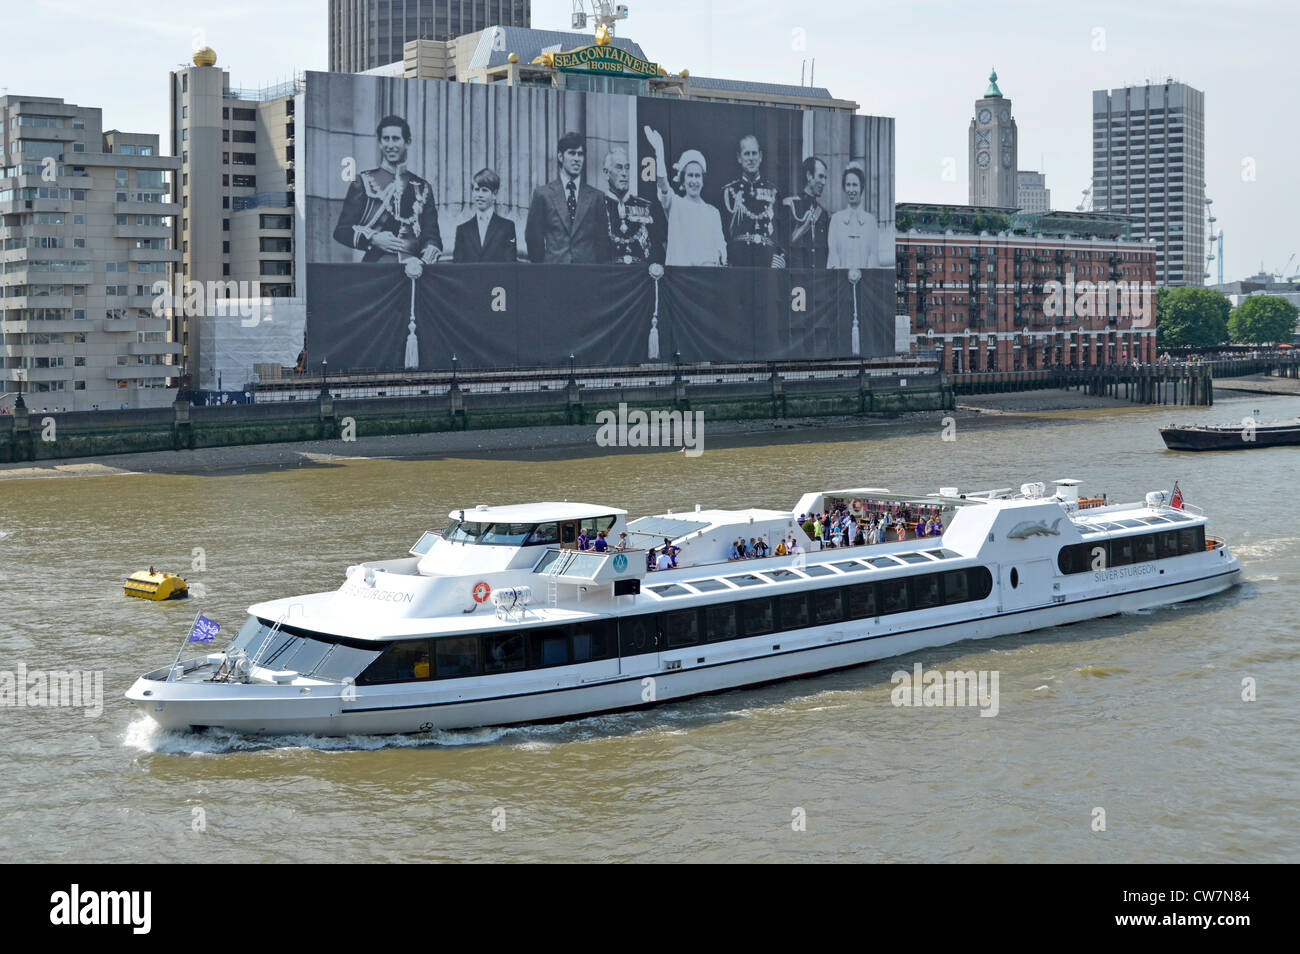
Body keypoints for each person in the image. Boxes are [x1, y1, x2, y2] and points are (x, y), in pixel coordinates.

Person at [333, 114, 442, 264]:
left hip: (414, 271)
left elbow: (432, 237)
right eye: (386, 139)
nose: (390, 145)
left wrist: (422, 263)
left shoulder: (422, 187)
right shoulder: (363, 182)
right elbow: (342, 231)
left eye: (396, 139)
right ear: (379, 143)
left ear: (407, 142)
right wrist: (373, 238)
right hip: (375, 270)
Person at [643, 127, 726, 267]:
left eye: (697, 176)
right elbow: (663, 185)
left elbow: (720, 247)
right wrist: (659, 154)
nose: (694, 181)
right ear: (683, 179)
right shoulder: (675, 204)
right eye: (690, 175)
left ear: (703, 179)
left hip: (706, 277)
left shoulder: (713, 212)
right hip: (680, 280)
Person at [524, 131, 611, 264]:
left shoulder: (596, 197)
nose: (577, 159)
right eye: (571, 153)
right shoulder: (543, 194)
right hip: (554, 273)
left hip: (587, 273)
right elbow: (533, 238)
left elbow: (602, 241)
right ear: (560, 156)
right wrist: (543, 268)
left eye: (580, 154)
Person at [720, 134, 783, 267]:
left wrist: (780, 256)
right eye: (746, 154)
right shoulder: (730, 192)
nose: (751, 158)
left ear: (760, 156)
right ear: (739, 158)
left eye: (754, 154)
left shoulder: (774, 192)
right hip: (738, 262)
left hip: (768, 262)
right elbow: (724, 232)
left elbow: (781, 231)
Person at [602, 148, 666, 264]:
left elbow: (657, 249)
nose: (624, 173)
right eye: (619, 167)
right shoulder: (598, 205)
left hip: (640, 277)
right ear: (606, 173)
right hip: (609, 276)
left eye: (627, 168)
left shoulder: (644, 206)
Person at [453, 167, 518, 263]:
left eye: (484, 190)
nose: (479, 195)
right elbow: (457, 266)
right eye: (476, 189)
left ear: (494, 194)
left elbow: (510, 263)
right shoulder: (463, 230)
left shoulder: (507, 227)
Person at [827, 165, 881, 270]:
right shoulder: (836, 220)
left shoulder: (870, 221)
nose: (851, 189)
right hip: (841, 282)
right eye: (848, 185)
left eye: (855, 185)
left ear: (862, 187)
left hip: (865, 282)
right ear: (844, 188)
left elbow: (873, 256)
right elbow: (833, 255)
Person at [780, 156, 830, 269]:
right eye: (821, 176)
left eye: (825, 178)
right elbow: (783, 247)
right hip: (797, 276)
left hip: (817, 277)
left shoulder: (822, 213)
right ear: (809, 176)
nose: (824, 182)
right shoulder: (791, 205)